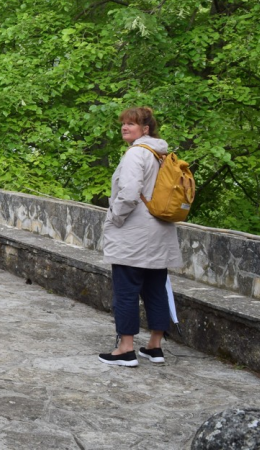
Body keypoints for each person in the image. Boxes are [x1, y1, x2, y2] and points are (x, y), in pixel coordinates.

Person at [99, 106, 183, 367]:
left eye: (131, 124)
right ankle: (154, 346)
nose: (125, 127)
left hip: (134, 235)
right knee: (156, 288)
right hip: (160, 232)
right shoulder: (162, 155)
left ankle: (125, 349)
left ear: (145, 129)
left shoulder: (136, 153)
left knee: (126, 291)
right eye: (123, 123)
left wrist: (115, 217)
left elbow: (129, 192)